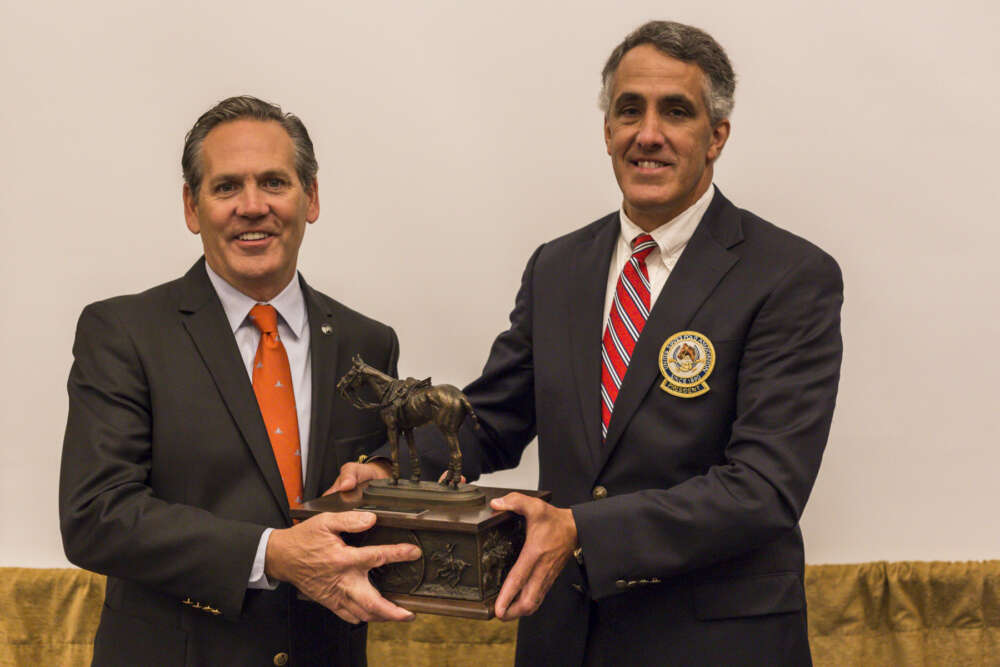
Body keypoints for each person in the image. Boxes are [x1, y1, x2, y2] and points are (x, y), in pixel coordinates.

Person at [333, 20, 843, 665]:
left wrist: (580, 529)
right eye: (629, 110)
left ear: (716, 137)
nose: (647, 134)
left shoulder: (789, 275)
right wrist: (388, 468)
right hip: (567, 636)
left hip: (716, 639)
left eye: (676, 112)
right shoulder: (559, 266)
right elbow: (492, 414)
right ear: (607, 130)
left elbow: (765, 488)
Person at [59, 96, 421, 666]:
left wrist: (381, 478)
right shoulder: (123, 333)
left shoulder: (369, 344)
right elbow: (96, 516)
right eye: (226, 187)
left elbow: (378, 485)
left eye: (274, 182)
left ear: (312, 198)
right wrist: (270, 553)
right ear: (191, 206)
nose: (253, 207)